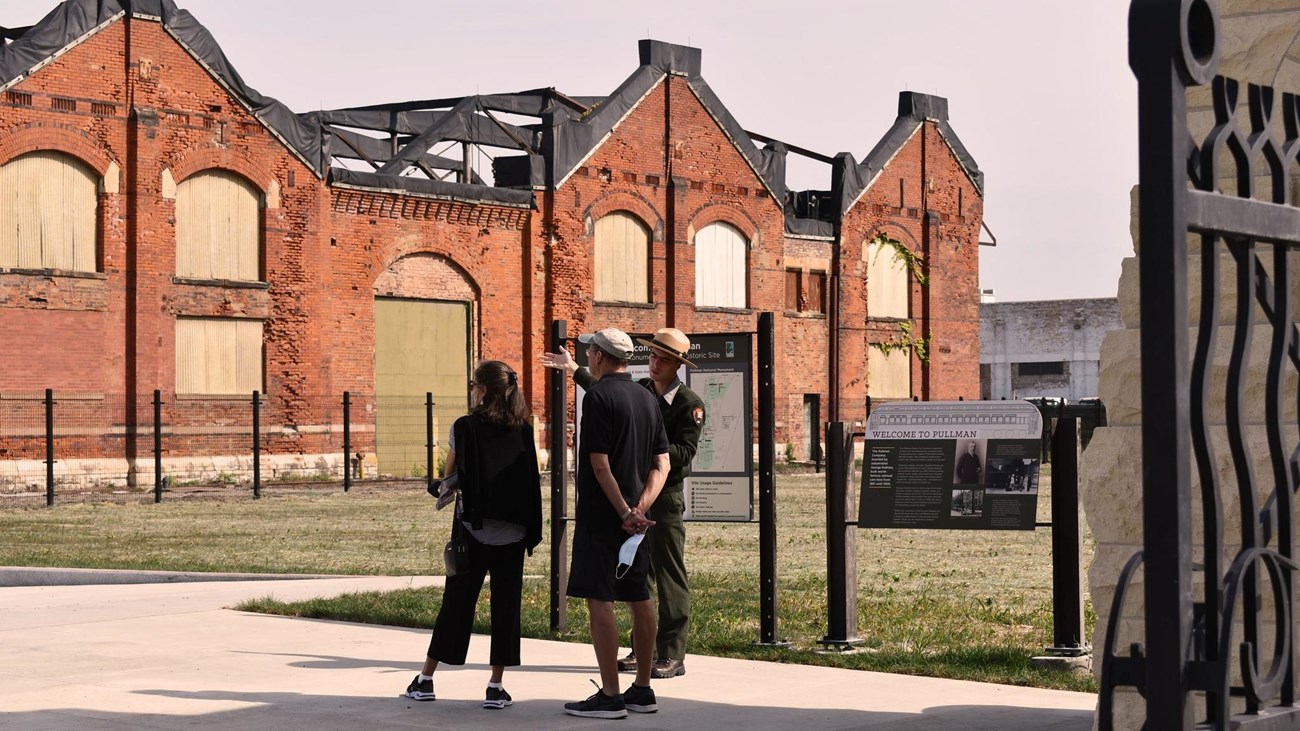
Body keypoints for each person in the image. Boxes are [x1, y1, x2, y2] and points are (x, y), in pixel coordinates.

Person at [543, 327, 704, 679]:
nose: (656, 364)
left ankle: (672, 651)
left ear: (677, 365)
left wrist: (643, 445)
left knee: (669, 573)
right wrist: (574, 369)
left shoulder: (688, 404)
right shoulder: (643, 390)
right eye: (653, 356)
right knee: (637, 577)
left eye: (664, 360)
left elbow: (685, 453)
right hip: (632, 494)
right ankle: (643, 649)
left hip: (663, 498)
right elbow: (605, 391)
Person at [402, 360, 543, 710]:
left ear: (480, 388)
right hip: (514, 531)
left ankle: (426, 679)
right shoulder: (524, 429)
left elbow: (449, 476)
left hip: (472, 529)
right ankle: (495, 685)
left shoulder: (464, 427)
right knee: (506, 607)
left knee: (456, 603)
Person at [556, 327, 670, 719]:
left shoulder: (599, 397)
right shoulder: (646, 396)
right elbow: (662, 463)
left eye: (590, 353)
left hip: (604, 519)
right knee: (639, 596)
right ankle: (642, 688)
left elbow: (599, 464)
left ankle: (610, 694)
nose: (588, 358)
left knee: (599, 599)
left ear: (600, 357)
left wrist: (623, 511)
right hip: (638, 523)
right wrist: (640, 509)